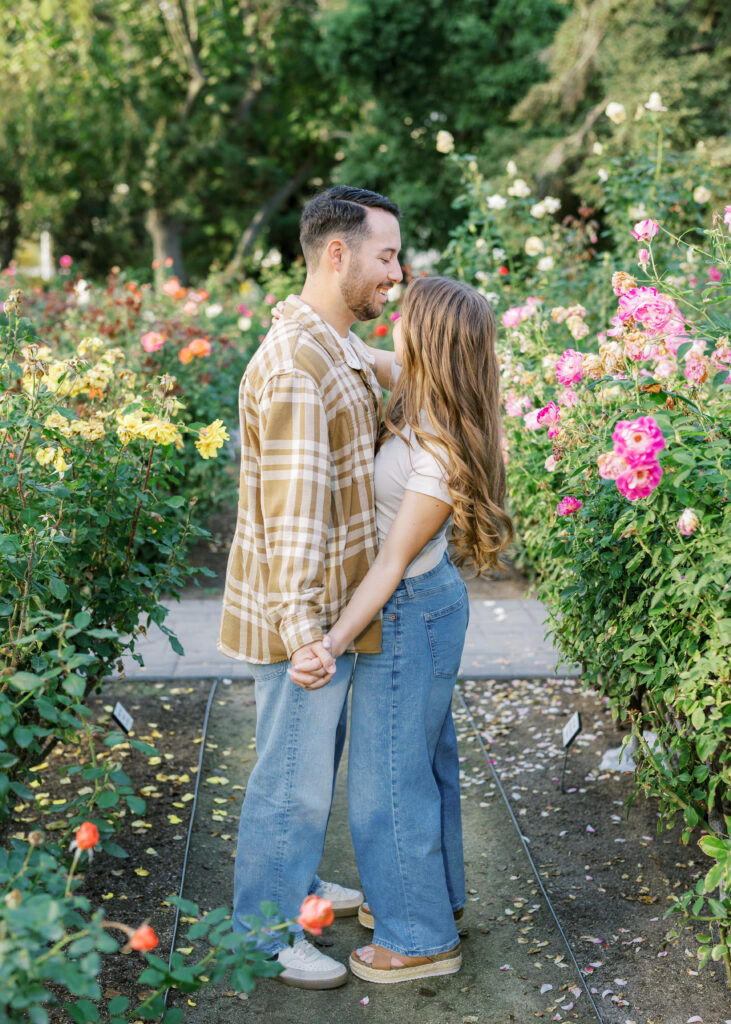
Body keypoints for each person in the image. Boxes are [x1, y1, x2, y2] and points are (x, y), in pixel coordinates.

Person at [290, 276, 513, 983]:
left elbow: (388, 564)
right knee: (423, 763)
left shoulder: (440, 446)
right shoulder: (419, 387)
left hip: (407, 610)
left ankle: (417, 940)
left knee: (387, 780)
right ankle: (432, 903)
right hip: (425, 605)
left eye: (406, 318)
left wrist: (327, 642)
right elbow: (350, 346)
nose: (394, 324)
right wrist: (300, 315)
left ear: (431, 341)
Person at [218, 185, 403, 989]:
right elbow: (293, 512)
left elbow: (379, 373)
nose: (395, 275)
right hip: (306, 614)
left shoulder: (325, 343)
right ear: (338, 253)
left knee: (303, 765)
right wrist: (303, 633)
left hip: (322, 610)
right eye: (386, 256)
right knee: (287, 784)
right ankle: (262, 934)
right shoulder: (300, 363)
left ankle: (292, 882)